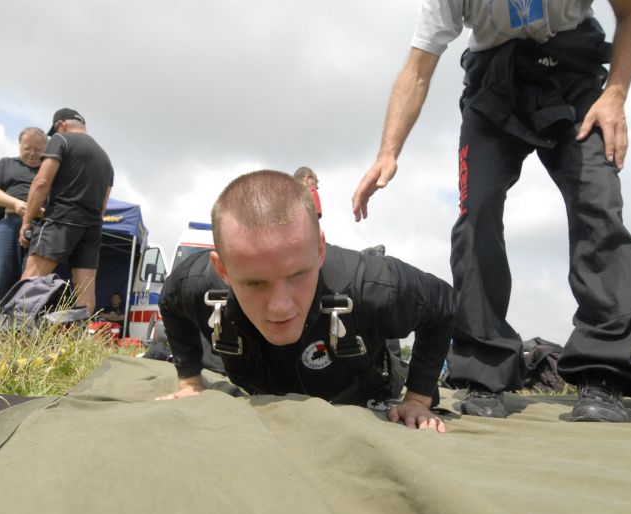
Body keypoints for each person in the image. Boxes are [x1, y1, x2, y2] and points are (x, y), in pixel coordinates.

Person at [352, 0, 631, 422]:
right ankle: (483, 369)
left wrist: (616, 94)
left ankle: (602, 372)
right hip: (494, 83)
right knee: (476, 215)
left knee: (597, 204)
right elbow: (417, 70)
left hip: (575, 75)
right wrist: (388, 152)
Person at [158, 170, 454, 432]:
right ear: (222, 270)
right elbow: (170, 302)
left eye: (297, 275)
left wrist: (418, 398)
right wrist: (190, 381)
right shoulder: (196, 282)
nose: (280, 306)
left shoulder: (373, 284)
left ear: (320, 250)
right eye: (255, 283)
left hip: (357, 387)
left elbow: (444, 304)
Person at [20, 108, 113, 314]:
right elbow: (103, 205)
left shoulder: (61, 139)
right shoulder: (105, 158)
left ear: (61, 125)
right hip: (92, 227)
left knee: (31, 281)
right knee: (85, 295)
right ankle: (78, 333)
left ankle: (15, 331)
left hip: (61, 219)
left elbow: (41, 182)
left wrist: (27, 221)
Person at [0, 127, 47, 308]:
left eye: (38, 149)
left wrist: (37, 211)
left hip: (40, 226)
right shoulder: (6, 164)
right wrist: (16, 203)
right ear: (20, 145)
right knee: (5, 274)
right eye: (28, 148)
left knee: (32, 279)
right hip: (9, 223)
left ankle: (24, 321)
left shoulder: (49, 170)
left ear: (45, 149)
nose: (32, 153)